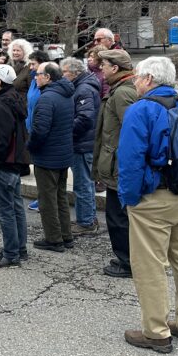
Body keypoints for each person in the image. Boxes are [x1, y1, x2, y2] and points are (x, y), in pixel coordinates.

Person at [118, 56, 178, 354]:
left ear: (149, 80)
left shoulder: (141, 110)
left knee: (150, 266)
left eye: (138, 77)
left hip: (154, 198)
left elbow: (129, 159)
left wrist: (128, 198)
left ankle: (156, 332)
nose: (135, 82)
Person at [91, 49, 138, 277]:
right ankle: (127, 259)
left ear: (116, 68)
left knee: (118, 218)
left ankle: (127, 262)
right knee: (117, 217)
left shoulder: (123, 94)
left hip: (119, 169)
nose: (101, 68)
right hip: (115, 165)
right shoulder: (119, 90)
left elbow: (133, 133)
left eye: (105, 64)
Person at [0, 63, 30, 267]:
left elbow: (0, 141)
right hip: (14, 162)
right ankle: (20, 248)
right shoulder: (13, 99)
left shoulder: (2, 105)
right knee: (16, 207)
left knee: (5, 211)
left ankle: (11, 253)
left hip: (4, 164)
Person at [27, 62, 75, 252]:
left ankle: (54, 239)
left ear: (47, 77)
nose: (35, 77)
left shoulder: (47, 98)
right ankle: (66, 235)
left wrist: (30, 146)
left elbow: (40, 131)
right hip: (63, 154)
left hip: (48, 156)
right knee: (60, 197)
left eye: (38, 74)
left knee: (47, 199)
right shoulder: (66, 94)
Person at [61, 57, 101, 235]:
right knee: (86, 183)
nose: (62, 76)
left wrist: (66, 131)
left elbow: (85, 118)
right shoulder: (82, 86)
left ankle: (86, 222)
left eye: (65, 72)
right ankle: (88, 218)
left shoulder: (83, 89)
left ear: (75, 73)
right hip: (84, 142)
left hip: (83, 144)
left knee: (82, 184)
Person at [23, 49, 50, 213]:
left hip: (41, 129)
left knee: (44, 168)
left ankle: (45, 199)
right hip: (31, 127)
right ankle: (41, 196)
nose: (30, 67)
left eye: (33, 64)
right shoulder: (34, 80)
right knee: (38, 168)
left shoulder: (46, 82)